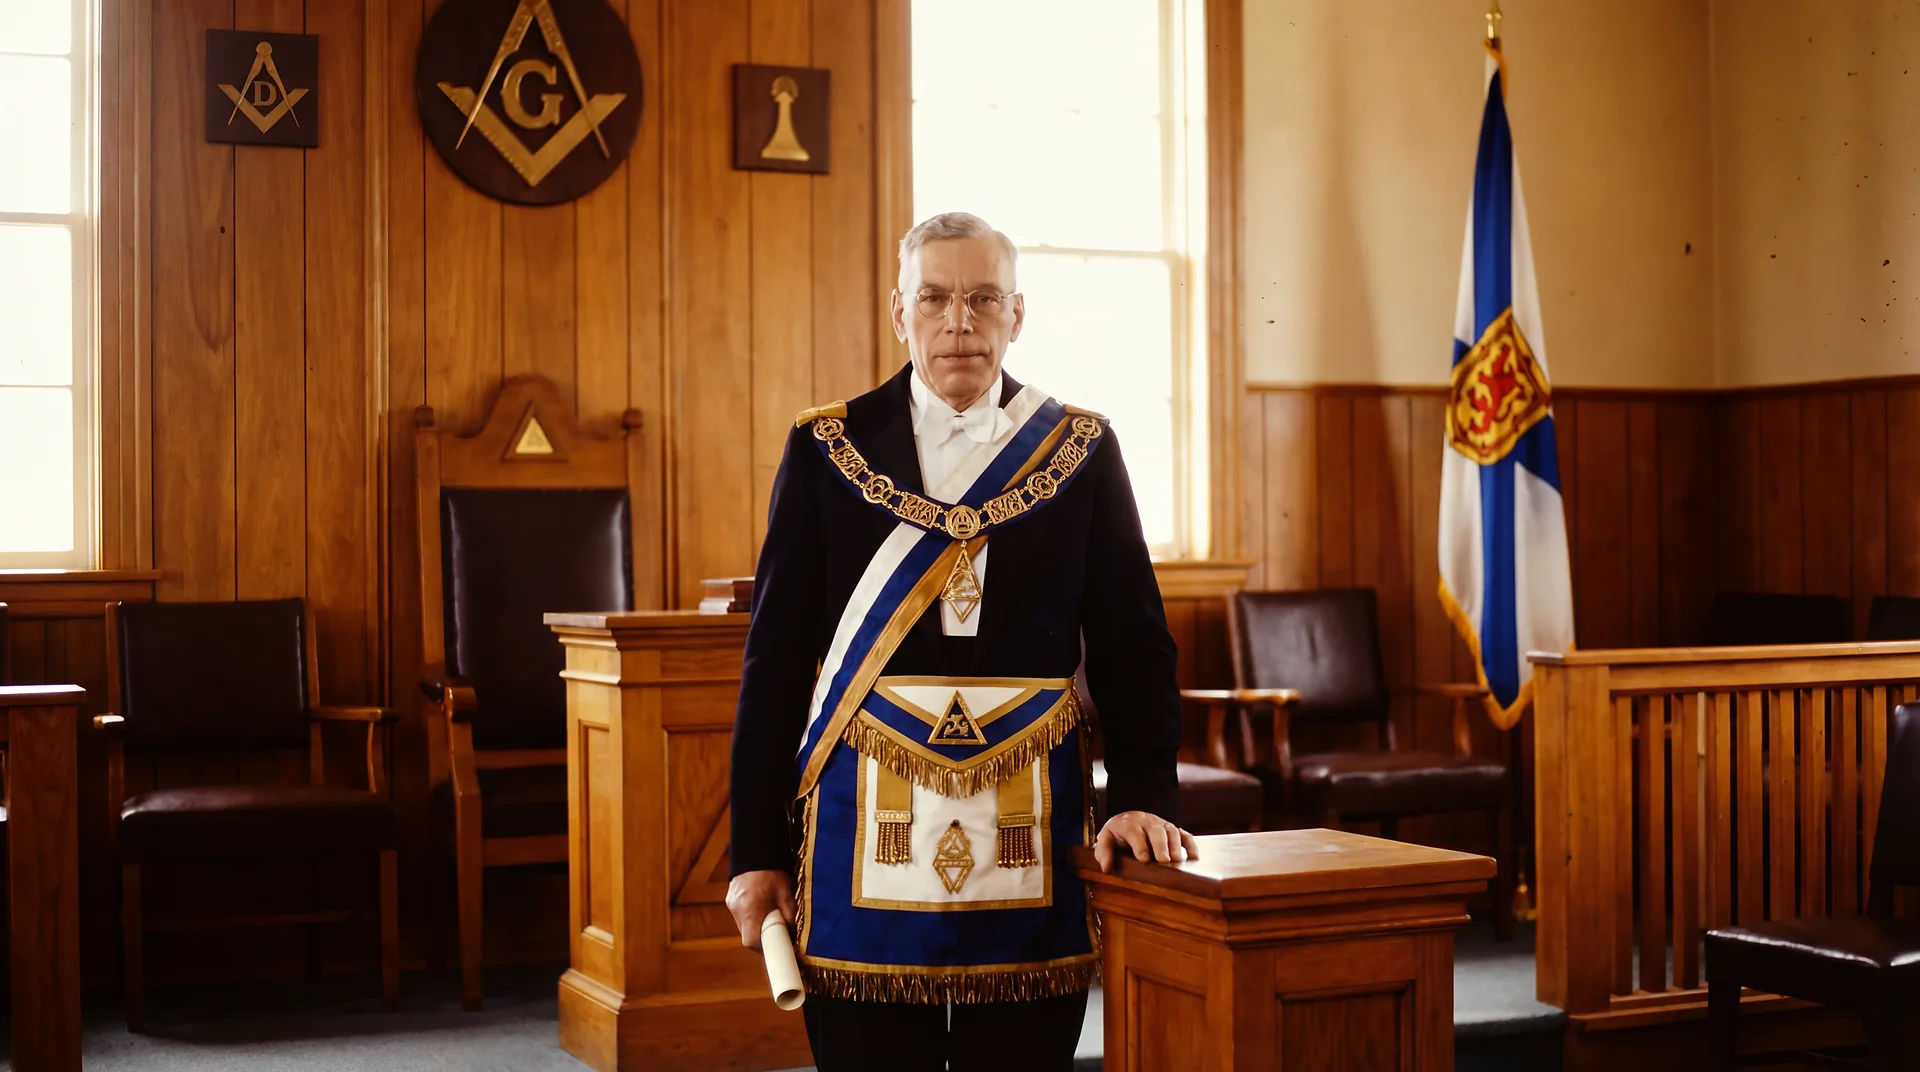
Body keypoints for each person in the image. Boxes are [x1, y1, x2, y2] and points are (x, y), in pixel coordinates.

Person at [727, 211, 1192, 1071]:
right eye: (935, 298)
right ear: (899, 312)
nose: (959, 322)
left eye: (983, 299)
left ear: (1018, 313)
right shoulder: (825, 446)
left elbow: (1133, 643)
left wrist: (1143, 794)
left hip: (1030, 827)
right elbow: (778, 661)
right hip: (861, 829)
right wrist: (754, 850)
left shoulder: (1081, 449)